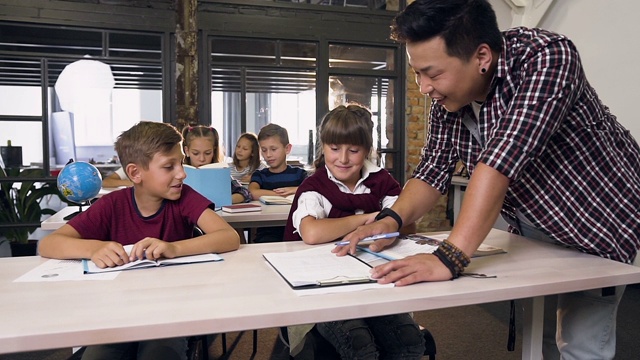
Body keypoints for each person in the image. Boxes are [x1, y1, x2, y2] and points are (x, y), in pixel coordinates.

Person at [337, 1, 640, 359]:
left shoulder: (547, 57)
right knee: (537, 334)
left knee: (579, 341)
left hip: (596, 220)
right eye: (417, 74)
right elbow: (433, 170)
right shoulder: (450, 99)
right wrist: (391, 221)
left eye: (431, 74)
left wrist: (447, 258)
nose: (423, 87)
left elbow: (501, 161)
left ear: (481, 56)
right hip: (535, 220)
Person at [39, 121, 240, 360]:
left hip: (171, 310)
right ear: (135, 173)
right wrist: (94, 248)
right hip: (117, 311)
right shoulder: (113, 204)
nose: (182, 173)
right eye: (169, 166)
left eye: (181, 162)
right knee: (98, 356)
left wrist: (174, 248)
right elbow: (48, 244)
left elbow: (229, 237)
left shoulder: (184, 197)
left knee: (160, 354)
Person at [283, 104, 425, 359]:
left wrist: (389, 221)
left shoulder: (383, 181)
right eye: (334, 149)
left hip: (376, 281)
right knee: (359, 345)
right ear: (323, 146)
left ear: (367, 150)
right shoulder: (314, 186)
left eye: (354, 150)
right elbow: (312, 233)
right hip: (324, 288)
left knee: (409, 341)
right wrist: (370, 218)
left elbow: (406, 222)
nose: (343, 159)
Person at [249, 123, 307, 242]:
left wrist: (295, 189)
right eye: (264, 150)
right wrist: (286, 194)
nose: (268, 155)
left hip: (297, 231)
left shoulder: (299, 174)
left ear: (287, 149)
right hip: (267, 234)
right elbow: (252, 192)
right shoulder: (260, 175)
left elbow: (311, 190)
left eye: (273, 149)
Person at [182, 125, 252, 204]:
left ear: (214, 151)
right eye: (195, 153)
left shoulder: (219, 172)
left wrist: (222, 200)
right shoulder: (179, 173)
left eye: (207, 153)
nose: (202, 159)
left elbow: (245, 193)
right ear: (187, 151)